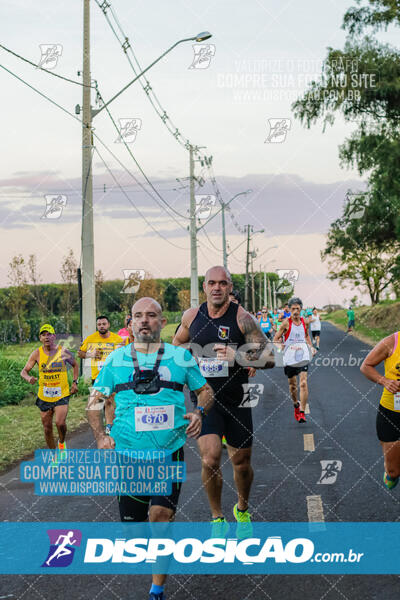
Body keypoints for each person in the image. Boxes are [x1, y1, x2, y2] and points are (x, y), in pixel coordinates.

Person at [90, 297, 214, 600]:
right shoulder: (116, 360)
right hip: (129, 456)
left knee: (160, 514)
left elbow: (205, 391)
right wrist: (100, 436)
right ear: (130, 323)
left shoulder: (181, 358)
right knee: (133, 534)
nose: (144, 320)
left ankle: (157, 588)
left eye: (151, 315)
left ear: (162, 322)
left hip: (168, 452)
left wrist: (199, 412)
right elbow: (94, 403)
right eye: (138, 316)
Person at [173, 266, 274, 537]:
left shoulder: (243, 318)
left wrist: (238, 355)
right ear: (204, 287)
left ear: (230, 287)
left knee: (241, 463)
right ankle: (217, 517)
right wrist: (191, 355)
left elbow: (270, 357)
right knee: (210, 459)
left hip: (237, 400)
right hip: (205, 400)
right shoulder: (191, 316)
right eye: (211, 283)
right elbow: (177, 345)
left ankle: (242, 508)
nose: (217, 288)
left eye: (222, 283)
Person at [20, 324, 78, 454]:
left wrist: (75, 382)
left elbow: (75, 365)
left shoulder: (63, 351)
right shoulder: (36, 354)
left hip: (61, 393)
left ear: (54, 336)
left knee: (60, 423)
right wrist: (28, 378)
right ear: (40, 338)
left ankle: (62, 443)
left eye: (49, 334)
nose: (46, 337)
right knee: (47, 428)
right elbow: (23, 371)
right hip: (44, 396)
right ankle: (54, 454)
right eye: (43, 335)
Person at [360, 332, 400, 490]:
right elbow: (366, 366)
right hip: (392, 413)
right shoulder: (392, 342)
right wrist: (385, 381)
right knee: (394, 471)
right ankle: (391, 473)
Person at [79, 316, 125, 439]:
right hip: (98, 377)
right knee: (98, 404)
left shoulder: (118, 339)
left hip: (113, 376)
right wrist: (91, 354)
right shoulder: (91, 339)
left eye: (104, 324)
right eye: (99, 324)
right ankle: (101, 429)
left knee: (109, 400)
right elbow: (80, 353)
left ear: (108, 324)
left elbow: (123, 357)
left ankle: (110, 427)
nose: (101, 326)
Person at [274, 297, 315, 424]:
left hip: (303, 354)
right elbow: (276, 339)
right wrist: (279, 347)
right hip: (289, 356)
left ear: (301, 309)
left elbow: (306, 335)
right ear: (289, 310)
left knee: (303, 383)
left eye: (298, 308)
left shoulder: (305, 322)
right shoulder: (286, 323)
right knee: (293, 386)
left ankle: (302, 412)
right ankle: (295, 404)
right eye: (293, 309)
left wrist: (311, 346)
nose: (296, 311)